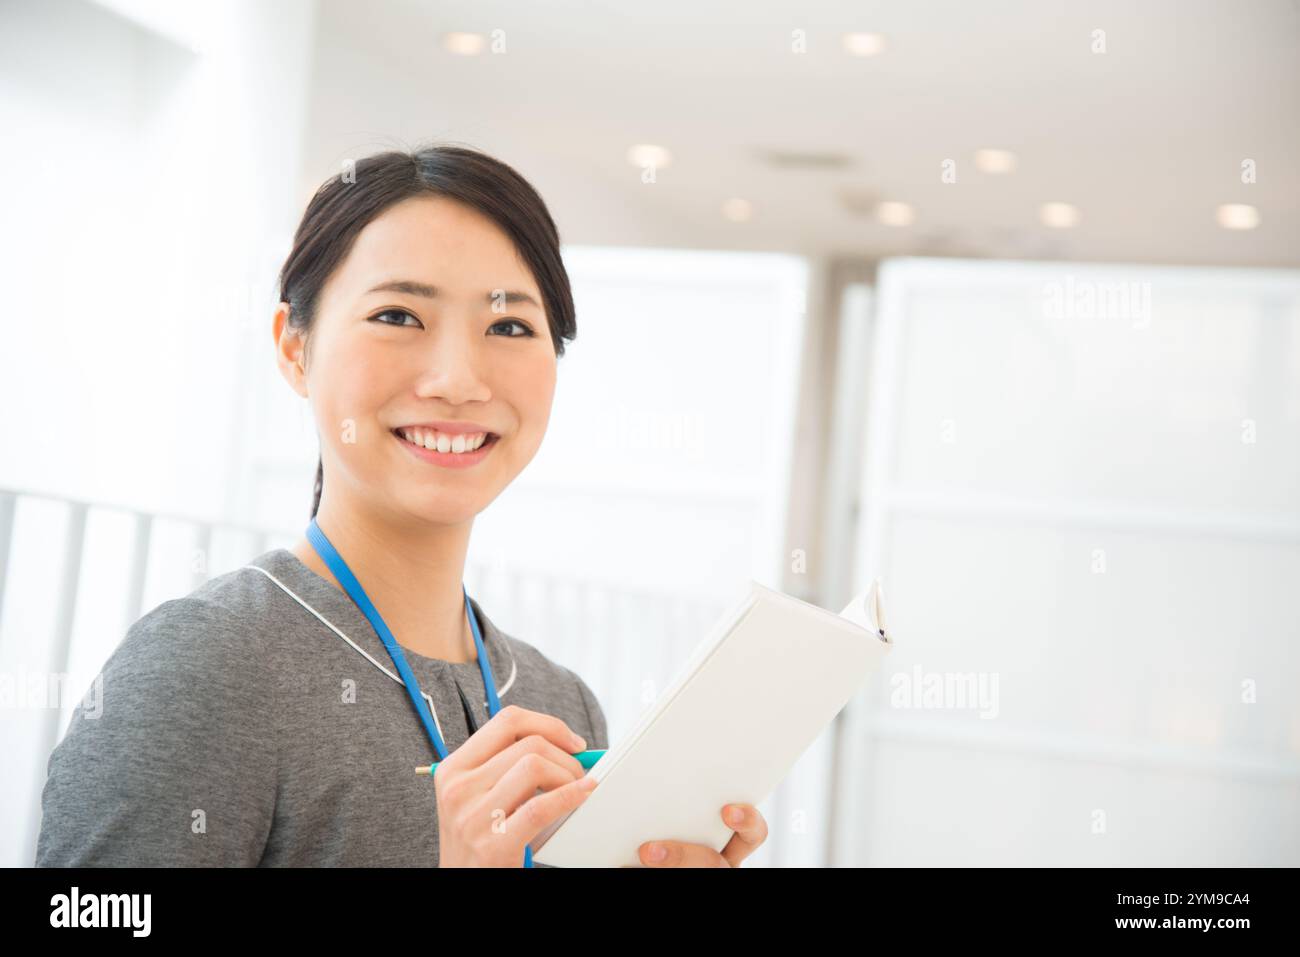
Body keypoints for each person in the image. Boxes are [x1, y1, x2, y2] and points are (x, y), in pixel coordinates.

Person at [34, 143, 768, 867]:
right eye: (398, 315)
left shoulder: (562, 706)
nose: (457, 380)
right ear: (294, 347)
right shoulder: (206, 666)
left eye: (509, 326)